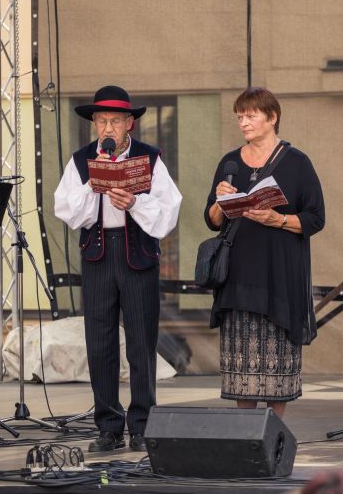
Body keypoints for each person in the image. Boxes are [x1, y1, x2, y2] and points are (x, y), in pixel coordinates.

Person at [54, 85, 182, 452]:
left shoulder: (150, 158)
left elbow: (168, 213)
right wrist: (94, 185)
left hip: (137, 257)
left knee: (141, 343)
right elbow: (66, 210)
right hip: (97, 256)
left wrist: (134, 203)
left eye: (115, 121)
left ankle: (142, 425)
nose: (108, 128)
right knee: (100, 343)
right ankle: (108, 427)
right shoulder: (80, 161)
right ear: (94, 123)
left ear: (129, 124)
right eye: (102, 121)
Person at [205, 87, 325, 418]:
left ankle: (274, 435)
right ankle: (246, 436)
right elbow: (212, 221)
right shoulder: (229, 162)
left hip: (279, 275)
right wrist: (220, 201)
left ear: (272, 117)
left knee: (277, 366)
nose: (243, 122)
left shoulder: (297, 163)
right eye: (239, 117)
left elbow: (316, 218)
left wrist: (279, 219)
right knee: (241, 367)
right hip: (238, 274)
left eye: (250, 115)